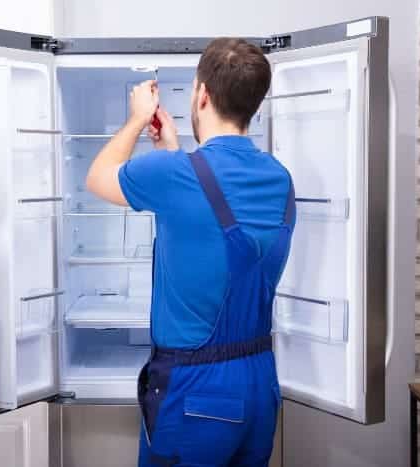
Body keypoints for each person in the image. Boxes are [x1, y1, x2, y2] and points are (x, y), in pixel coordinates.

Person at [86, 38, 296, 466]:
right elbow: (207, 226)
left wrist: (136, 120)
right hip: (258, 384)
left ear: (201, 95)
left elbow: (98, 177)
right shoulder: (279, 178)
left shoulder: (173, 175)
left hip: (195, 392)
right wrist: (171, 148)